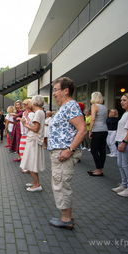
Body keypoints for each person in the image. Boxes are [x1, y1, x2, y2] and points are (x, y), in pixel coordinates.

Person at [48, 77, 87, 230]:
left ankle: (66, 219)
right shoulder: (66, 106)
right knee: (60, 183)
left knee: (62, 185)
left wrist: (70, 150)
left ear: (66, 90)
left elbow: (82, 129)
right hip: (60, 152)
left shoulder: (71, 105)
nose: (54, 94)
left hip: (64, 153)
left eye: (56, 90)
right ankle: (66, 216)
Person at [20, 95, 45, 191]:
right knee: (32, 161)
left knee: (31, 161)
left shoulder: (38, 112)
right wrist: (26, 119)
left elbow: (35, 128)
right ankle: (35, 182)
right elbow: (34, 124)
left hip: (34, 140)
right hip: (34, 139)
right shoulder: (40, 112)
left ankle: (37, 184)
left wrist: (25, 124)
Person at [88, 92, 108, 176]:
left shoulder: (94, 106)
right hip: (104, 130)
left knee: (94, 150)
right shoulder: (104, 107)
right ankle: (100, 168)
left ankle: (98, 169)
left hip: (97, 130)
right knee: (102, 150)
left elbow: (93, 119)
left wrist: (90, 130)